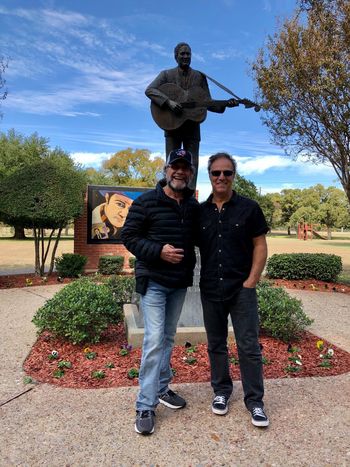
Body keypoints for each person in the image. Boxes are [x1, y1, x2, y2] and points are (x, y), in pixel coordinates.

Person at [121, 148, 199, 435]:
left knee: (167, 337)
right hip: (153, 281)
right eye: (174, 166)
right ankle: (145, 404)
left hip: (179, 283)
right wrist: (158, 251)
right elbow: (128, 236)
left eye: (184, 167)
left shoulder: (192, 206)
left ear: (190, 173)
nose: (179, 171)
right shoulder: (146, 202)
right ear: (166, 171)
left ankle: (162, 388)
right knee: (154, 340)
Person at [198, 152, 270, 427]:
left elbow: (260, 246)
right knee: (216, 345)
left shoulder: (249, 208)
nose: (221, 177)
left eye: (227, 173)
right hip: (210, 289)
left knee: (249, 346)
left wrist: (251, 281)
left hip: (241, 289)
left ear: (233, 176)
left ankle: (255, 402)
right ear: (210, 175)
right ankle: (221, 392)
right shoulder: (201, 212)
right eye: (216, 173)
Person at [145, 42, 238, 190]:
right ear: (176, 56)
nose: (186, 56)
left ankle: (190, 195)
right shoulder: (166, 75)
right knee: (172, 162)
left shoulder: (199, 77)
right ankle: (169, 193)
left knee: (192, 163)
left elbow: (207, 102)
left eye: (188, 54)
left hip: (192, 126)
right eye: (182, 53)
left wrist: (226, 104)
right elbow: (150, 90)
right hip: (171, 125)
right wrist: (168, 102)